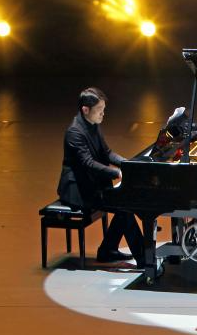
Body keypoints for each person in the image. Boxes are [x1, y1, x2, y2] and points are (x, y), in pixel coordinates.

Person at [57, 87, 144, 264]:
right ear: (85, 109)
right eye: (99, 110)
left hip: (92, 184)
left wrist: (127, 164)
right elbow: (88, 163)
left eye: (103, 109)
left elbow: (107, 153)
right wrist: (117, 172)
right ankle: (143, 259)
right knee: (124, 208)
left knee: (124, 206)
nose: (103, 114)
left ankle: (107, 251)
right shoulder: (75, 132)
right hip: (78, 190)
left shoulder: (93, 124)